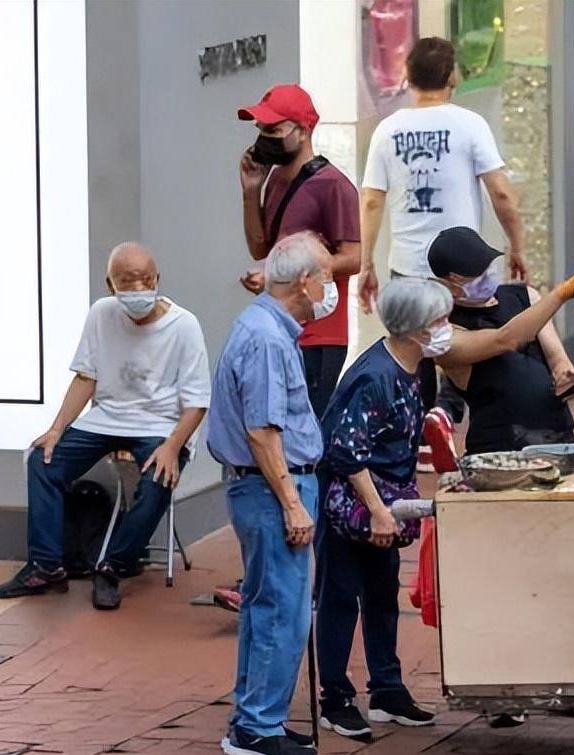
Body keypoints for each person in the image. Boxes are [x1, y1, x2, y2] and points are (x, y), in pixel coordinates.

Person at [314, 270, 574, 740]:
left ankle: (386, 689)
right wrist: (379, 510)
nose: (447, 328)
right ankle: (335, 698)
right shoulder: (375, 377)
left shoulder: (413, 369)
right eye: (441, 320)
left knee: (382, 596)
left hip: (388, 497)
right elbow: (346, 452)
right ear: (416, 327)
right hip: (354, 501)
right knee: (342, 597)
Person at [0, 243, 210, 611]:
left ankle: (112, 566)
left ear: (157, 279)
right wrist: (57, 428)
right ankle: (46, 566)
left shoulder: (184, 326)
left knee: (158, 478)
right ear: (110, 285)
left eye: (146, 279)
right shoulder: (101, 314)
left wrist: (174, 445)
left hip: (161, 424)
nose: (139, 288)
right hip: (107, 417)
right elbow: (85, 378)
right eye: (128, 281)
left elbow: (197, 402)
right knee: (42, 461)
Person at [209, 232, 337, 755]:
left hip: (265, 486)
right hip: (271, 488)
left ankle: (256, 717)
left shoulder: (265, 327)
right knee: (282, 610)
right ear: (305, 281)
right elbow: (264, 432)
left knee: (269, 606)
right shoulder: (265, 337)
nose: (329, 286)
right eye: (326, 276)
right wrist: (292, 503)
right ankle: (256, 727)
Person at [356, 36, 528, 411]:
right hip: (460, 271)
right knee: (462, 347)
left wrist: (366, 263)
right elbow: (500, 193)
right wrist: (518, 245)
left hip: (408, 266)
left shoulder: (388, 130)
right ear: (452, 76)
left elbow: (371, 199)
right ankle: (450, 412)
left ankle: (421, 431)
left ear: (408, 75)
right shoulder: (470, 125)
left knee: (412, 352)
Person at [237, 84, 361, 419]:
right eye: (261, 129)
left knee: (303, 425)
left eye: (273, 129)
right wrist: (251, 192)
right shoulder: (275, 178)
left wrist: (283, 276)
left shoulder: (333, 185)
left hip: (320, 333)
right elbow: (260, 246)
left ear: (302, 130)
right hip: (281, 325)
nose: (264, 136)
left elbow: (353, 258)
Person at [428, 227, 574, 454]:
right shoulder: (446, 334)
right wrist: (561, 294)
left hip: (558, 436)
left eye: (487, 267)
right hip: (500, 449)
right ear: (452, 282)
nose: (488, 276)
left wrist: (565, 375)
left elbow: (557, 358)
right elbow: (506, 339)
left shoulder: (524, 296)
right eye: (478, 274)